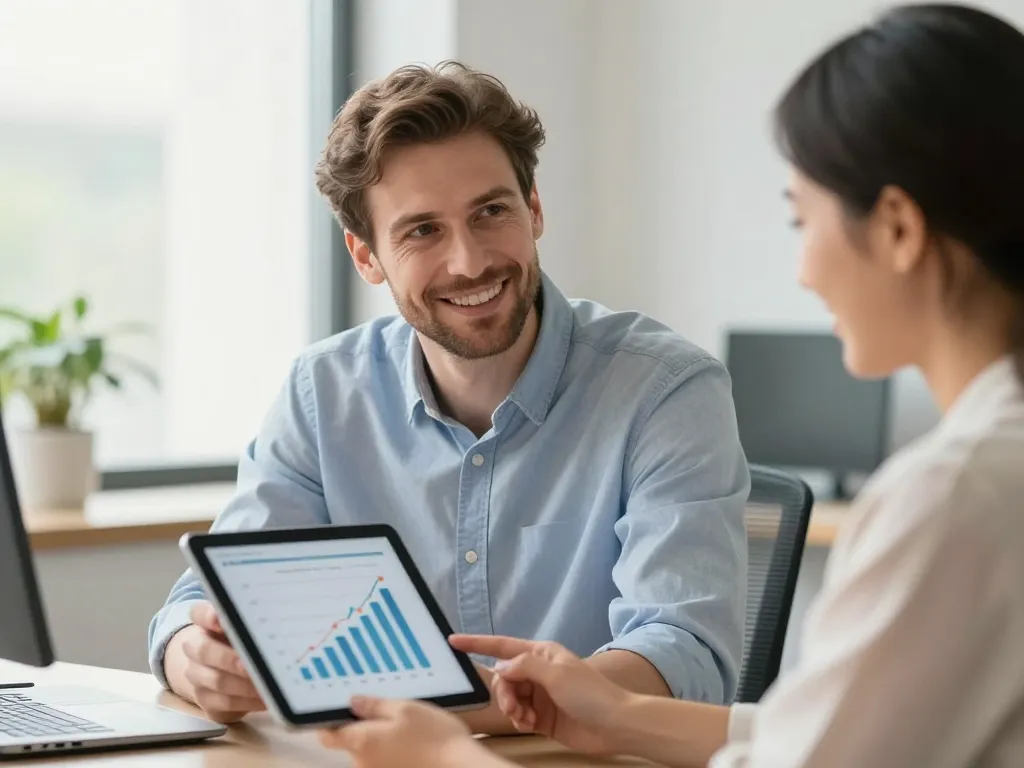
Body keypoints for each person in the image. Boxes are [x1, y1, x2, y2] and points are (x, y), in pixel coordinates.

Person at [314, 4, 1024, 766]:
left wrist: (447, 757)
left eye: (800, 220)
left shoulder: (955, 497)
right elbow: (829, 735)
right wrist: (611, 713)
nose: (804, 269)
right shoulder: (989, 473)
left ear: (897, 229)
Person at [147, 62, 750, 730]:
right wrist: (189, 655)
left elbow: (684, 657)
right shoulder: (322, 393)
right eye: (422, 230)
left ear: (535, 210)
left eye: (491, 212)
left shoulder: (664, 390)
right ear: (366, 256)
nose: (470, 261)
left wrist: (458, 708)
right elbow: (216, 594)